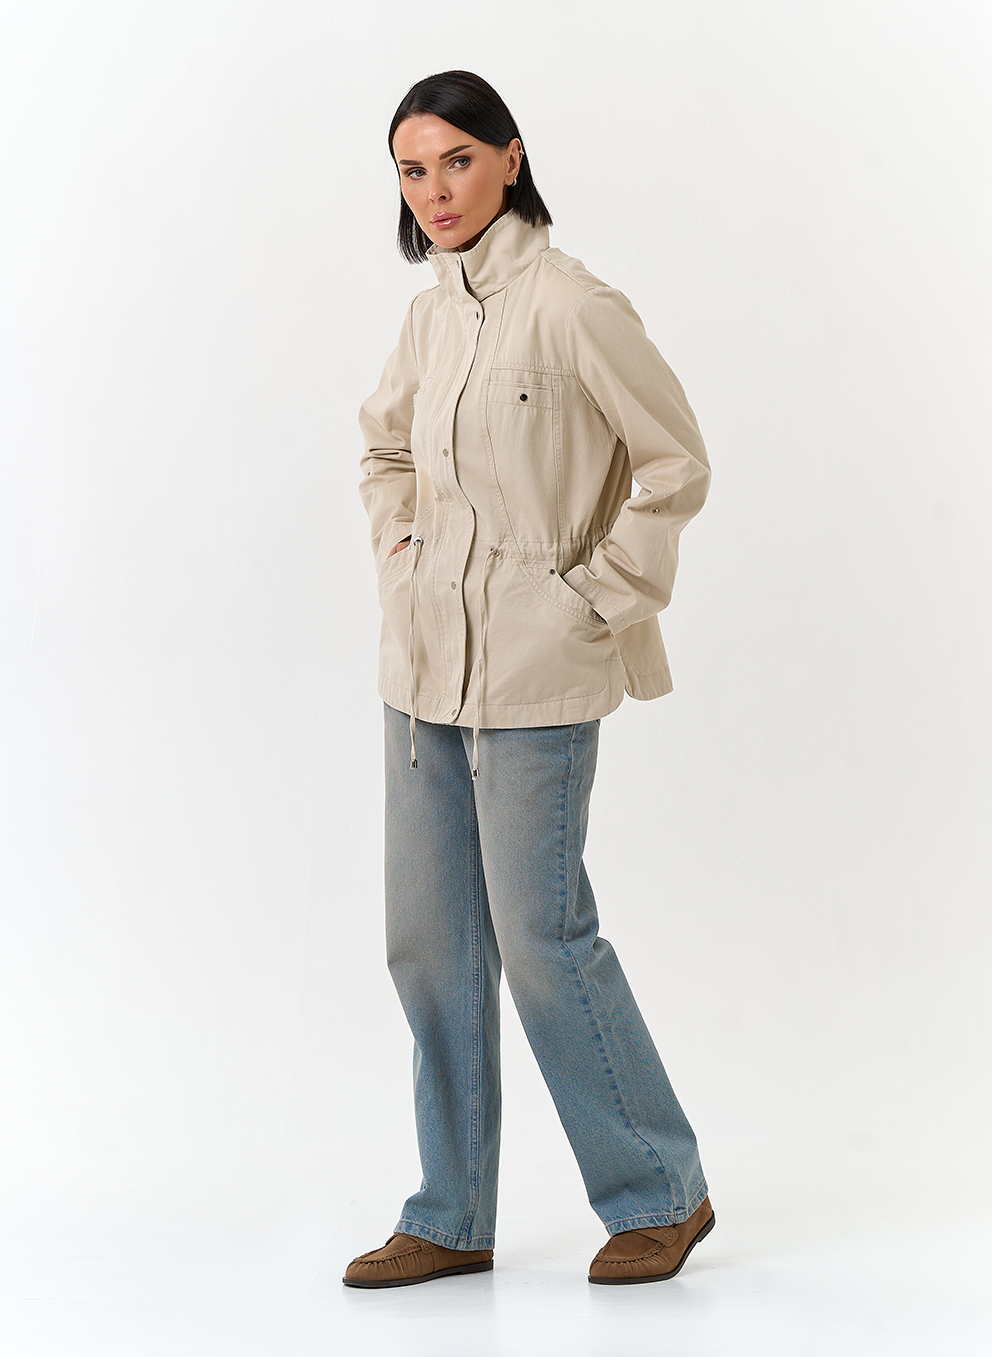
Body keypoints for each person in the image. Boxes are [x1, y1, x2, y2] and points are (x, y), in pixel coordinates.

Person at [343, 69, 714, 1290]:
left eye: (455, 160)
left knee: (543, 941)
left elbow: (674, 464)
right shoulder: (428, 318)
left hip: (535, 677)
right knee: (428, 949)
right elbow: (383, 446)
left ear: (509, 157)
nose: (434, 191)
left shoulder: (573, 306)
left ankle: (659, 1191)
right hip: (420, 678)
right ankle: (450, 1213)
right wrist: (400, 551)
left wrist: (591, 598)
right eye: (411, 170)